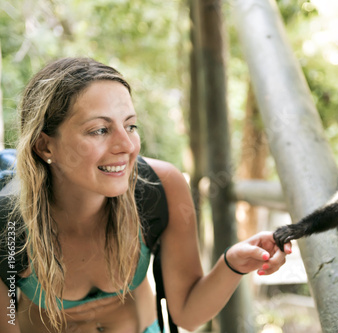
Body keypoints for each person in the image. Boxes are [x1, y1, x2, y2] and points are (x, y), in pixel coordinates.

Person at [0, 57, 292, 333]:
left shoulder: (160, 187)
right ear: (44, 146)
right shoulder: (8, 224)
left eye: (130, 126)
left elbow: (188, 314)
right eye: (100, 130)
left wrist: (232, 264)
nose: (126, 145)